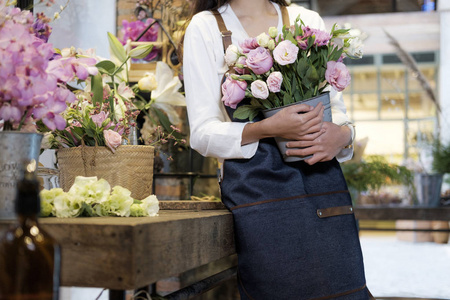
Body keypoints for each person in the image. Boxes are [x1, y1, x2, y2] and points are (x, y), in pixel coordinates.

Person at [182, 1, 373, 299]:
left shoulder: (306, 19)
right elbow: (202, 133)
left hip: (324, 190)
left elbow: (338, 113)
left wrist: (344, 136)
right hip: (261, 202)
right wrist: (267, 128)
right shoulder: (205, 27)